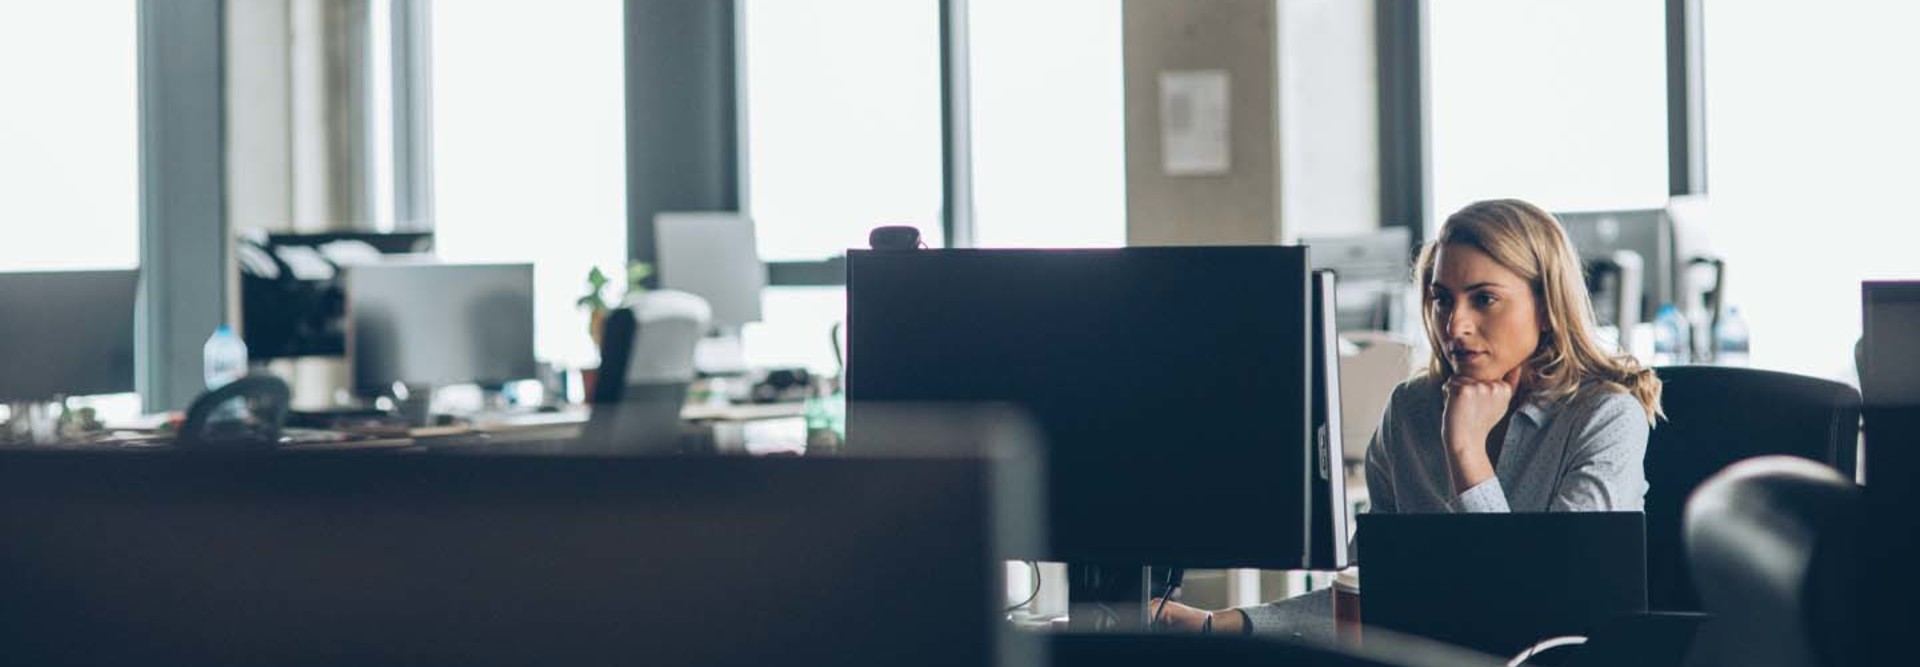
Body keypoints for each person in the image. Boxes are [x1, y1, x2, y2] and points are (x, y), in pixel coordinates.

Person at [1154, 198, 1664, 634]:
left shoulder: (1604, 417)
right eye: (1442, 299)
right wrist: (1220, 624)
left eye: (1484, 299)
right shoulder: (1412, 410)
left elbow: (1536, 612)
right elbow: (1366, 594)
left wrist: (1466, 453)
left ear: (1546, 303)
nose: (1456, 324)